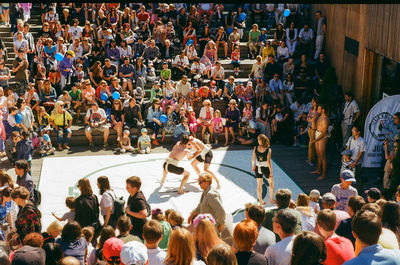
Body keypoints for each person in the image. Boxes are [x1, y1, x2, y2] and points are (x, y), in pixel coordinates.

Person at [188, 172, 233, 245]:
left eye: (200, 182)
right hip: (208, 226)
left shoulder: (211, 194)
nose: (199, 184)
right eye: (198, 182)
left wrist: (221, 224)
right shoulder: (206, 192)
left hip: (212, 227)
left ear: (207, 182)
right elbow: (200, 206)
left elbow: (220, 211)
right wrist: (192, 214)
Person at [74, 178, 100, 244]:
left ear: (81, 187)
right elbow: (97, 214)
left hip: (83, 230)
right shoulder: (94, 197)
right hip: (93, 228)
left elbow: (77, 217)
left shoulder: (79, 200)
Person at [252, 134, 274, 205]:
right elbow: (269, 162)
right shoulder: (268, 150)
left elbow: (253, 159)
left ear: (261, 141)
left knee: (259, 185)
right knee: (271, 184)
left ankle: (261, 201)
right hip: (265, 168)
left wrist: (253, 167)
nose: (258, 141)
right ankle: (271, 199)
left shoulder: (255, 148)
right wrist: (271, 172)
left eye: (259, 140)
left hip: (257, 167)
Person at [311, 104, 330, 180]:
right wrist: (313, 120)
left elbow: (324, 132)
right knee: (318, 154)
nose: (317, 111)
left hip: (322, 137)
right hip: (317, 134)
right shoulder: (319, 118)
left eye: (319, 109)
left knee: (323, 156)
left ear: (323, 110)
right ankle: (318, 170)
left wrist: (316, 140)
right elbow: (314, 128)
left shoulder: (325, 119)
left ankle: (324, 174)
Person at [345, 125, 366, 193]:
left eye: (354, 130)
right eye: (352, 130)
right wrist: (344, 157)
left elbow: (361, 153)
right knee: (348, 176)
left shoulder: (362, 141)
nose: (352, 131)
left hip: (357, 162)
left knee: (358, 177)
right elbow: (347, 148)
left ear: (358, 132)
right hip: (349, 161)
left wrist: (355, 163)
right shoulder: (350, 138)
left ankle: (359, 192)